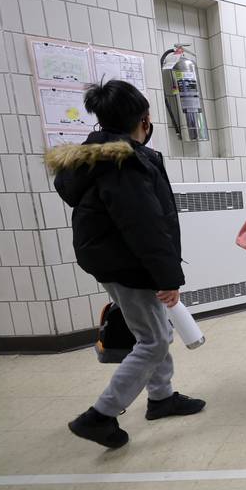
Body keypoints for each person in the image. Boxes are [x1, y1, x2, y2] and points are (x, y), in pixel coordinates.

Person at [45, 80, 205, 449]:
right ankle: (100, 416)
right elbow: (144, 225)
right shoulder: (125, 163)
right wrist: (167, 277)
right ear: (145, 121)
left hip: (111, 258)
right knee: (154, 339)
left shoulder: (95, 155)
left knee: (154, 329)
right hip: (127, 261)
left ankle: (162, 397)